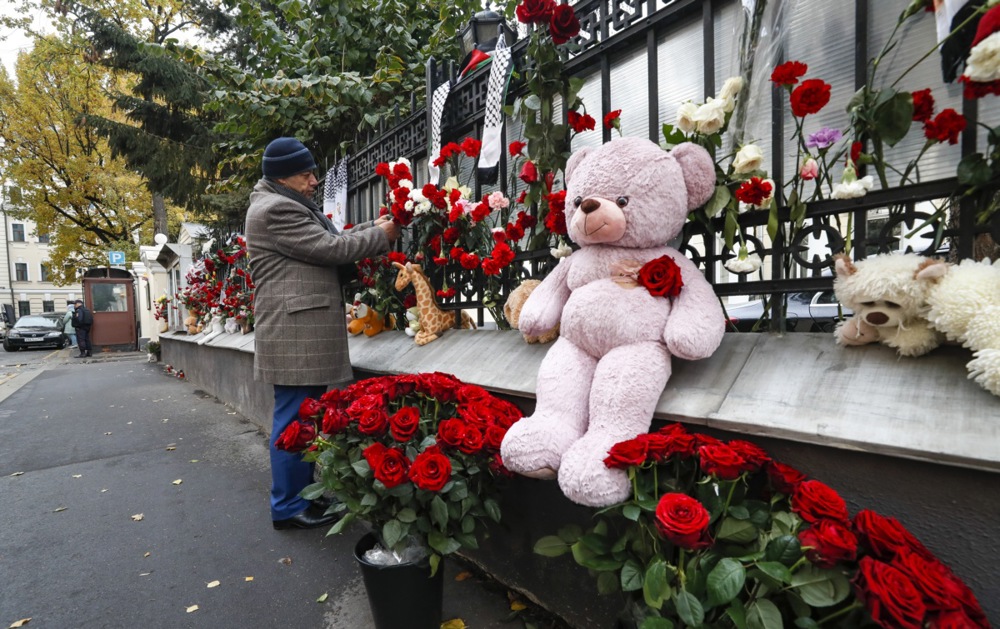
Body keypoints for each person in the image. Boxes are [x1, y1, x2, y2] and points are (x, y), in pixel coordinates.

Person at [245, 137, 400, 531]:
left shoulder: (285, 202)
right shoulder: (277, 209)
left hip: (297, 331)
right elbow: (330, 248)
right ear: (282, 177)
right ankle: (288, 506)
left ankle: (298, 498)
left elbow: (336, 235)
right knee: (293, 423)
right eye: (306, 174)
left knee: (301, 419)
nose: (314, 180)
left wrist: (379, 223)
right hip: (295, 334)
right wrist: (384, 235)